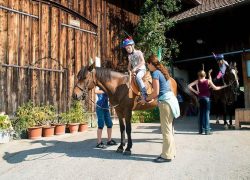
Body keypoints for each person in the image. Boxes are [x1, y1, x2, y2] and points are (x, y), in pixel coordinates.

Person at [140, 54, 180, 163]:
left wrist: (146, 99)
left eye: (148, 64)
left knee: (166, 131)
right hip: (170, 100)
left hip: (166, 103)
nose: (148, 67)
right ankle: (172, 152)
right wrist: (154, 99)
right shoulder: (163, 72)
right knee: (169, 130)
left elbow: (156, 92)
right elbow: (162, 91)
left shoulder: (156, 73)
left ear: (151, 64)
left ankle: (166, 156)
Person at [188, 70, 228, 135]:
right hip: (207, 99)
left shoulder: (197, 81)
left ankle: (200, 130)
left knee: (200, 114)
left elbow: (189, 86)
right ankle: (207, 131)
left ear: (199, 75)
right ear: (205, 75)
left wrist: (195, 91)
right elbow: (215, 88)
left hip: (200, 99)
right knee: (206, 114)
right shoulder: (208, 81)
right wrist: (223, 86)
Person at [95, 61, 117, 149]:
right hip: (99, 106)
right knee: (101, 124)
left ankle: (109, 140)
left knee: (109, 124)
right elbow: (95, 91)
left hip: (106, 106)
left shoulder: (107, 83)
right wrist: (105, 91)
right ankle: (99, 142)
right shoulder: (99, 83)